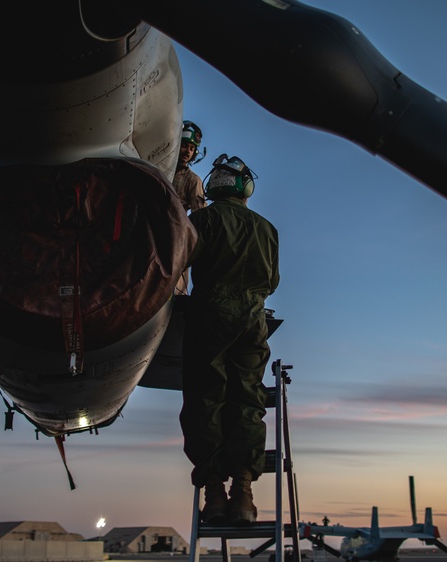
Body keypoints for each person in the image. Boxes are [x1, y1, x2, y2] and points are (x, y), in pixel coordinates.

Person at [180, 154, 279, 525]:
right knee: (247, 399)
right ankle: (243, 494)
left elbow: (180, 262)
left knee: (206, 398)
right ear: (245, 189)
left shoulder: (201, 220)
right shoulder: (267, 229)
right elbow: (271, 282)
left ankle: (214, 495)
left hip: (209, 317)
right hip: (253, 321)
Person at [173, 121, 206, 296]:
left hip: (176, 242)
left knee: (174, 291)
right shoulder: (160, 170)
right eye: (184, 145)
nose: (187, 151)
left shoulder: (193, 181)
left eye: (192, 148)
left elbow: (200, 216)